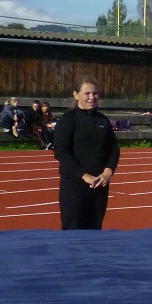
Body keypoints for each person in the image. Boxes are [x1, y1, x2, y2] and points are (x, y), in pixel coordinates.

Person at [53, 77, 120, 230]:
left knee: (95, 230)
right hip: (74, 186)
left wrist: (108, 172)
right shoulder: (68, 120)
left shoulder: (102, 120)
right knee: (73, 231)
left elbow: (114, 149)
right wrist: (84, 176)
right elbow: (61, 152)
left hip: (99, 186)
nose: (92, 97)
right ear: (76, 95)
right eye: (87, 93)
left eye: (95, 93)